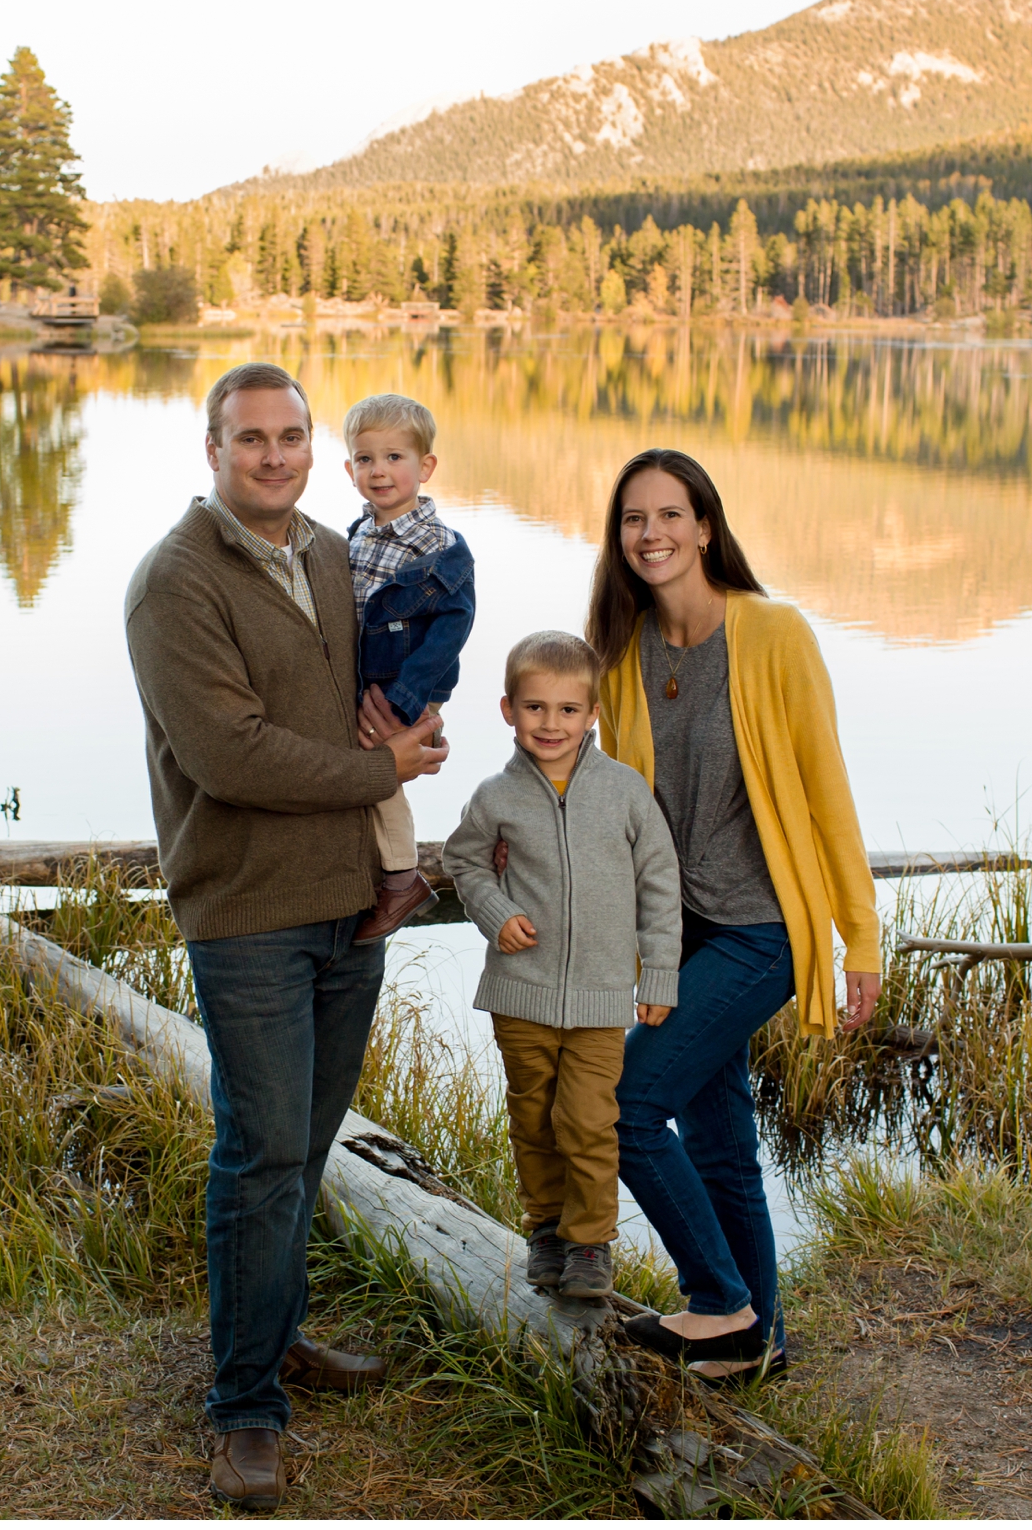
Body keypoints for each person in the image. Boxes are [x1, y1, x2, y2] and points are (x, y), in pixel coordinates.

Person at [123, 361, 449, 1510]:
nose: (275, 454)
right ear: (211, 447)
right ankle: (244, 1406)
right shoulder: (174, 582)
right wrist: (380, 768)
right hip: (251, 909)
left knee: (304, 1149)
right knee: (260, 1156)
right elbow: (232, 755)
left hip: (350, 903)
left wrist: (411, 718)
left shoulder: (328, 549)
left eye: (293, 435)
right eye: (251, 437)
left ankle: (276, 1334)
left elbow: (359, 686)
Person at [589, 448, 883, 1386]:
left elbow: (829, 787)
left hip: (762, 931)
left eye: (670, 515)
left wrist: (859, 936)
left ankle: (721, 1304)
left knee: (628, 1109)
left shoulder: (773, 632)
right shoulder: (622, 653)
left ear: (707, 526)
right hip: (683, 936)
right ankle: (766, 1348)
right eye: (634, 519)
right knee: (722, 1148)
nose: (652, 534)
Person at [440, 631, 681, 1302]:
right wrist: (493, 908)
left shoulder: (626, 793)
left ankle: (589, 1243)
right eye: (536, 707)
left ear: (593, 713)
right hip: (522, 994)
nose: (552, 723)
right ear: (507, 709)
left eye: (568, 710)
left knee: (586, 1120)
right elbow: (462, 861)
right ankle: (544, 1226)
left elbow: (661, 883)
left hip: (603, 998)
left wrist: (659, 974)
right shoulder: (495, 796)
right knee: (533, 1119)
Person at [342, 393, 476, 942]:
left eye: (395, 458)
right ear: (350, 469)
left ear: (425, 467)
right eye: (366, 459)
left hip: (408, 686)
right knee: (361, 774)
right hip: (368, 682)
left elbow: (454, 627)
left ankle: (401, 879)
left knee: (381, 777)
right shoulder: (357, 534)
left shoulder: (438, 546)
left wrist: (408, 696)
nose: (380, 471)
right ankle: (373, 868)